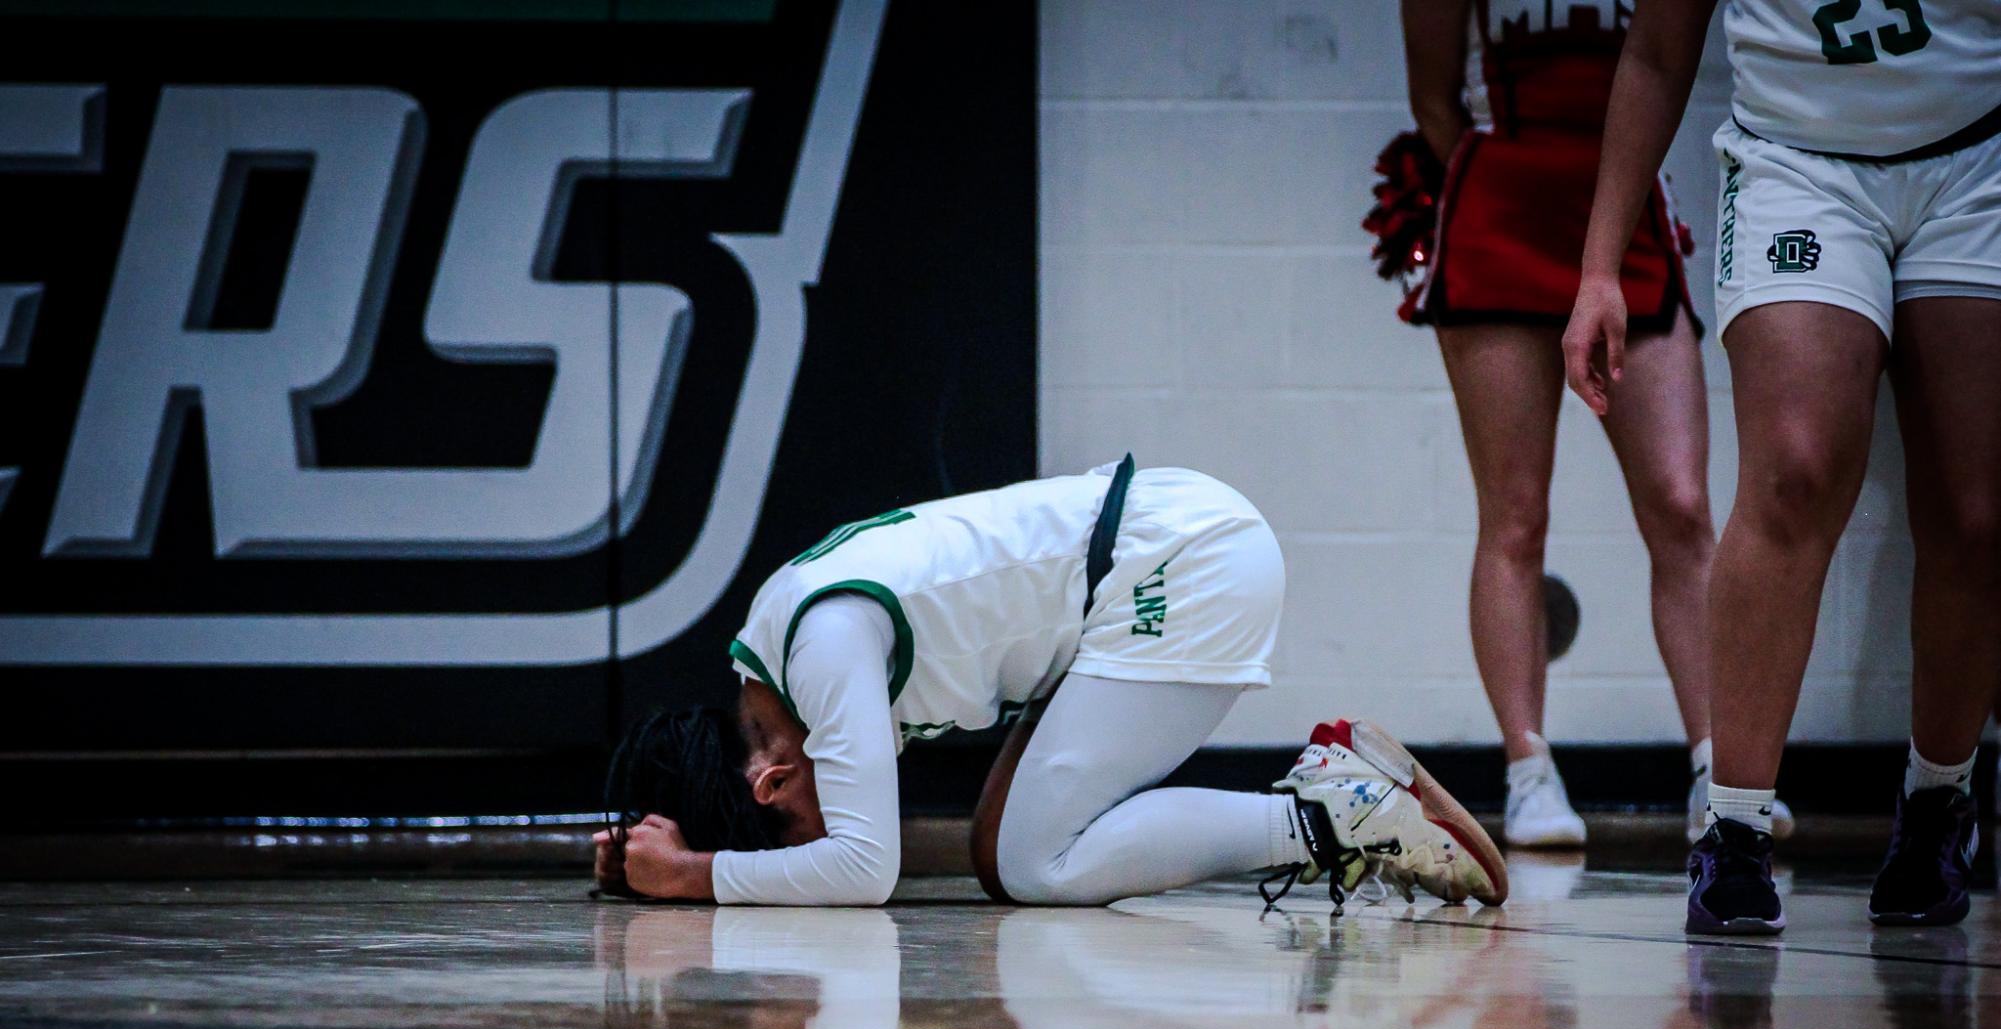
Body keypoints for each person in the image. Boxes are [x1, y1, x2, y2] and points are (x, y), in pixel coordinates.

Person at [593, 459, 1507, 911]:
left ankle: (1331, 813)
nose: (810, 839)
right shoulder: (775, 647)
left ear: (774, 781)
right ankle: (1334, 804)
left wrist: (692, 875)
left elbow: (865, 872)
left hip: (1177, 565)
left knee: (1039, 864)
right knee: (1001, 858)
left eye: (790, 831)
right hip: (1150, 562)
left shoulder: (820, 650)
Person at [1563, 1, 2001, 932]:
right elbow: (1653, 52)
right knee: (1792, 473)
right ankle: (1732, 833)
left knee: (1976, 511)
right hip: (1795, 165)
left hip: (1979, 157)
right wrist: (1599, 267)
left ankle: (1936, 805)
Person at [1400, 0, 1791, 848]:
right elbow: (1431, 99)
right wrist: (1493, 191)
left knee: (1682, 506)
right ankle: (1527, 771)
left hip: (1624, 217)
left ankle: (1718, 770)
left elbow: (1665, 63)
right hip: (1499, 214)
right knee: (1514, 512)